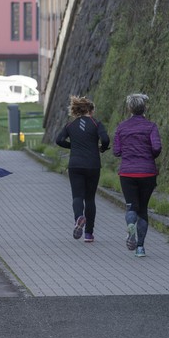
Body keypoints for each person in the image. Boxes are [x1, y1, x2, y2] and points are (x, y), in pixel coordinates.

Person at [55, 96, 109, 242]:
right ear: (90, 110)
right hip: (92, 164)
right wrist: (102, 148)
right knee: (90, 198)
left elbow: (59, 140)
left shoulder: (70, 125)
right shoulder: (96, 124)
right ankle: (89, 234)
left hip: (75, 164)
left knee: (77, 196)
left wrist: (73, 146)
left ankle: (79, 217)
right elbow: (105, 140)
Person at [113, 93, 161, 257]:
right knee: (143, 209)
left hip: (127, 172)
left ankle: (131, 224)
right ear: (144, 108)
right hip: (147, 172)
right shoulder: (151, 126)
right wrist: (148, 156)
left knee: (131, 206)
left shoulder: (121, 127)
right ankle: (140, 248)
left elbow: (116, 151)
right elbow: (156, 148)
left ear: (129, 108)